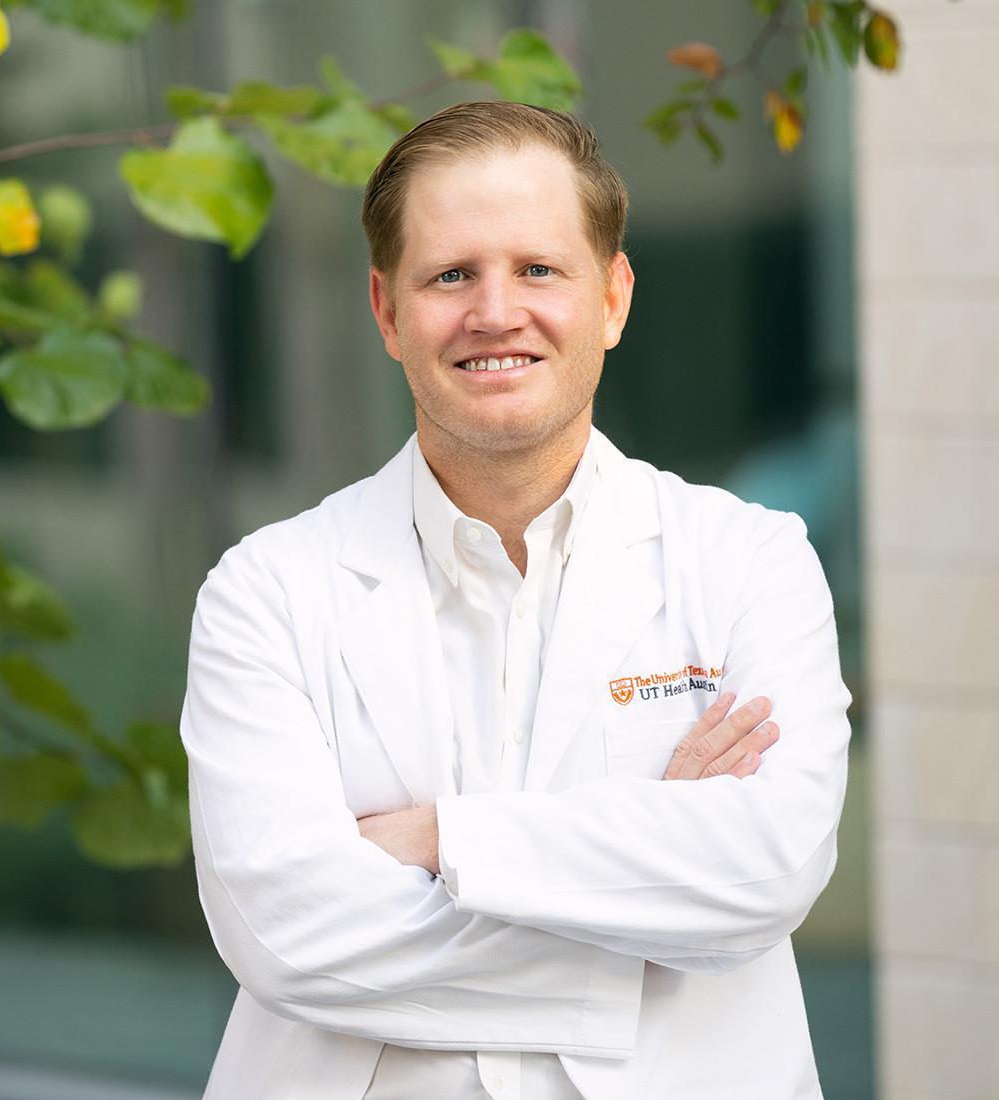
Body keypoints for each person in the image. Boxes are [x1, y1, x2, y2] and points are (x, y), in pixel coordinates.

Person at [181, 101, 851, 1100]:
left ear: (614, 299)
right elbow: (289, 933)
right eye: (452, 273)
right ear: (386, 308)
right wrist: (647, 912)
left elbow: (767, 865)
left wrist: (440, 836)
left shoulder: (749, 559)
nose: (496, 311)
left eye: (539, 269)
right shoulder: (266, 592)